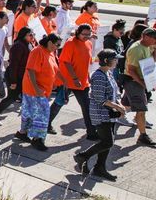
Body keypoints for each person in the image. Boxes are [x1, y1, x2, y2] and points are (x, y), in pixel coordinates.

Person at [74, 50, 125, 181]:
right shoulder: (98, 76)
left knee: (107, 142)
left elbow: (115, 92)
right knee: (108, 141)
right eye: (115, 59)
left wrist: (118, 103)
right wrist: (117, 106)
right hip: (101, 114)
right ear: (107, 60)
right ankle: (83, 156)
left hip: (110, 114)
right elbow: (99, 98)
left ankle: (100, 168)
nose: (117, 61)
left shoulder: (108, 73)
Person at [16, 33, 62, 151]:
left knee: (29, 112)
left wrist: (62, 82)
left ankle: (22, 132)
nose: (57, 47)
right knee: (42, 115)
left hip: (43, 90)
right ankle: (37, 139)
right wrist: (36, 88)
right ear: (50, 42)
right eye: (56, 45)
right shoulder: (37, 51)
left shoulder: (51, 52)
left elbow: (54, 70)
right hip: (34, 89)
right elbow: (30, 70)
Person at [51, 23, 97, 140]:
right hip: (68, 81)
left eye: (89, 34)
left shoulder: (89, 43)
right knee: (59, 103)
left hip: (82, 82)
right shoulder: (70, 43)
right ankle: (46, 124)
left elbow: (86, 62)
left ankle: (91, 133)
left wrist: (88, 77)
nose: (86, 36)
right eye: (84, 34)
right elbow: (66, 62)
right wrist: (75, 78)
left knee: (87, 107)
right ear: (77, 33)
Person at [122, 28, 156, 147]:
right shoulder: (136, 49)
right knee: (141, 110)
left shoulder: (148, 46)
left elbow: (151, 61)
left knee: (137, 107)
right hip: (133, 81)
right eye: (154, 39)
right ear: (146, 37)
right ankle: (143, 136)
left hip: (142, 80)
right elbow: (131, 71)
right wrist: (144, 84)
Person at [0, 27, 35, 116]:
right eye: (30, 35)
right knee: (12, 97)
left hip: (24, 76)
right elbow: (13, 65)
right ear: (24, 35)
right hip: (16, 76)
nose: (32, 37)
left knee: (25, 97)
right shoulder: (18, 46)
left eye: (33, 34)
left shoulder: (29, 44)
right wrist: (13, 81)